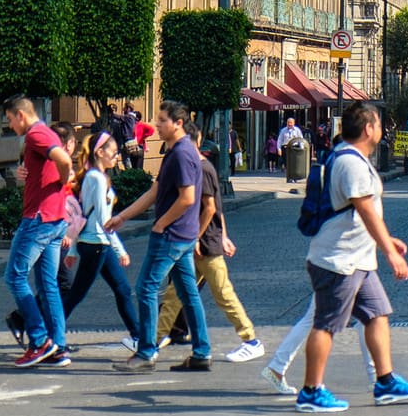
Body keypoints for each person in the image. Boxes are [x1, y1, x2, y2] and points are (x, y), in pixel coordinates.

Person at [296, 102, 408, 413]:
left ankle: (386, 382)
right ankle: (311, 391)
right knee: (326, 324)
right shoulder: (350, 163)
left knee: (377, 314)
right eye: (379, 124)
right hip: (339, 261)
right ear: (369, 128)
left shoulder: (349, 158)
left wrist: (386, 239)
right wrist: (390, 252)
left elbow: (360, 213)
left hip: (358, 260)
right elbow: (365, 209)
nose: (381, 130)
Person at [109, 102, 211, 373]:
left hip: (171, 235)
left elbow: (187, 198)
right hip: (183, 235)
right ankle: (202, 351)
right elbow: (154, 192)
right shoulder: (176, 151)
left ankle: (146, 352)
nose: (157, 124)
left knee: (146, 288)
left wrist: (161, 224)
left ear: (178, 123)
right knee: (188, 294)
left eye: (163, 120)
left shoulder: (181, 154)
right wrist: (123, 217)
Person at [155, 133, 265, 363]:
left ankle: (251, 340)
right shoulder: (196, 167)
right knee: (175, 293)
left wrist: (200, 237)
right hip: (199, 242)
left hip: (205, 245)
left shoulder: (202, 169)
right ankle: (152, 340)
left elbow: (211, 208)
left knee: (222, 293)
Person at [2, 97, 74, 368]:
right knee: (47, 285)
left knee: (14, 277)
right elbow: (51, 164)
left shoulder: (35, 134)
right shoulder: (45, 132)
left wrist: (63, 179)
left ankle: (40, 341)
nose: (10, 126)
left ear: (21, 115)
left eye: (10, 120)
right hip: (55, 219)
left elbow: (63, 159)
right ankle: (58, 348)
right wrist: (30, 174)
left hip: (39, 219)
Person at [61, 130, 139, 348]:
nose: (116, 156)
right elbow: (104, 221)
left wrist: (74, 250)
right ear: (100, 152)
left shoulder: (94, 176)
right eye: (113, 152)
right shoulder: (96, 178)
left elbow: (87, 216)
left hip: (97, 243)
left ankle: (138, 337)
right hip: (96, 244)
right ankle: (50, 336)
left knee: (122, 289)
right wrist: (120, 250)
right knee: (76, 294)